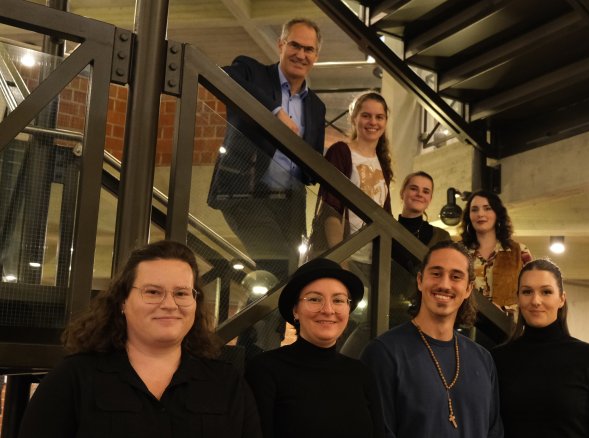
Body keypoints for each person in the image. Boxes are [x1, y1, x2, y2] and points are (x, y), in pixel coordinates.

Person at [18, 240, 261, 438]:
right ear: (122, 301)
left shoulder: (227, 384)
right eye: (153, 292)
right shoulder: (73, 378)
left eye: (181, 293)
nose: (169, 304)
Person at [208, 17, 326, 280]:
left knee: (288, 278)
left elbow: (312, 161)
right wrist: (274, 112)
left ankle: (254, 321)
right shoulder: (252, 72)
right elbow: (226, 76)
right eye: (295, 45)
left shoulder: (316, 106)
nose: (301, 54)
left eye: (309, 50)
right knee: (279, 270)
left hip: (290, 202)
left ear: (316, 55)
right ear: (280, 45)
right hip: (246, 193)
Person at [361, 241, 503, 438]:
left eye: (456, 277)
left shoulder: (483, 359)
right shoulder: (383, 353)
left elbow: (494, 431)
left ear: (469, 289)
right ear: (420, 280)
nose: (444, 284)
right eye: (436, 274)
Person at [244, 258, 385, 438]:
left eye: (338, 300)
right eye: (314, 299)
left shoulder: (362, 374)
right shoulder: (265, 370)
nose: (328, 310)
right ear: (295, 310)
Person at [491, 259, 589, 437]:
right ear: (518, 298)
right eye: (527, 291)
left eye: (546, 292)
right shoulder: (497, 359)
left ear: (561, 299)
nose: (536, 301)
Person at [317, 91, 393, 281]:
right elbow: (330, 208)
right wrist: (340, 259)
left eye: (379, 117)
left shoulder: (382, 162)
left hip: (372, 259)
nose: (373, 122)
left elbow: (385, 215)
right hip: (347, 255)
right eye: (366, 115)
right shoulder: (341, 152)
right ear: (354, 118)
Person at [459, 190, 531, 310]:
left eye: (487, 208)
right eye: (474, 209)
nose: (480, 214)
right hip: (463, 324)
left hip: (507, 325)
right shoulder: (457, 251)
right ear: (469, 216)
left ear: (497, 214)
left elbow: (530, 292)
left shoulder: (520, 252)